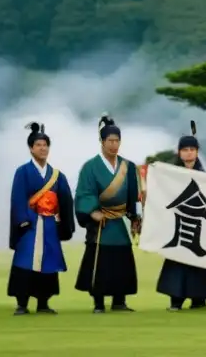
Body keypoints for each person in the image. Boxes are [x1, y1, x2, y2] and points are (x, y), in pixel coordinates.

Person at [74, 114, 142, 313]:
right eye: (110, 141)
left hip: (118, 223)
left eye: (117, 141)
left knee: (121, 262)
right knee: (100, 264)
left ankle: (119, 301)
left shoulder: (127, 167)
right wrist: (92, 212)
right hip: (101, 224)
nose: (114, 145)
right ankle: (99, 303)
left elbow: (131, 195)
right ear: (102, 142)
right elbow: (84, 193)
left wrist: (133, 217)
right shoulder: (90, 167)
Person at [7, 122, 75, 315]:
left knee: (48, 262)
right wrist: (22, 219)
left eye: (45, 145)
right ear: (30, 148)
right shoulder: (23, 171)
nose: (42, 148)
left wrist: (63, 220)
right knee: (25, 260)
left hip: (50, 224)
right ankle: (22, 303)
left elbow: (65, 199)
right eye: (38, 145)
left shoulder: (56, 175)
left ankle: (43, 302)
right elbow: (18, 197)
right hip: (30, 222)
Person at [156, 129, 206, 311]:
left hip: (200, 225)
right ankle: (176, 300)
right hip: (178, 225)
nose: (189, 152)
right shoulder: (172, 174)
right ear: (180, 152)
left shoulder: (204, 175)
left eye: (192, 149)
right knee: (177, 263)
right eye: (185, 149)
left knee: (198, 262)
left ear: (197, 152)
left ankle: (199, 299)